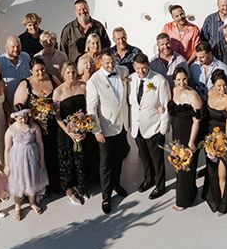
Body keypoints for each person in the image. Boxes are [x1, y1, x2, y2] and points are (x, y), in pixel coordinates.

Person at [86, 49, 130, 214]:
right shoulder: (93, 81)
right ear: (100, 63)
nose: (111, 65)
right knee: (105, 164)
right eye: (107, 63)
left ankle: (117, 184)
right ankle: (106, 196)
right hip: (105, 128)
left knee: (119, 158)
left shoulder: (123, 71)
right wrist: (96, 130)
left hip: (122, 124)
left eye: (112, 62)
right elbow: (91, 109)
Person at [14, 58, 61, 195]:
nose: (40, 72)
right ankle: (41, 188)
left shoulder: (52, 79)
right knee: (39, 158)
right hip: (35, 127)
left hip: (54, 125)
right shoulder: (26, 84)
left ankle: (57, 184)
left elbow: (61, 95)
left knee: (54, 155)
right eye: (37, 71)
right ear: (31, 71)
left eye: (42, 69)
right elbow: (18, 108)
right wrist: (31, 118)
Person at [128, 53, 171, 199]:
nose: (141, 72)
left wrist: (163, 129)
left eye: (144, 69)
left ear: (148, 65)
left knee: (157, 159)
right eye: (138, 69)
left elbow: (165, 106)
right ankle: (148, 179)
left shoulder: (159, 80)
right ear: (134, 66)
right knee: (144, 157)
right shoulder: (131, 79)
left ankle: (160, 185)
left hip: (154, 127)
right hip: (137, 127)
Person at [53, 61, 93, 206]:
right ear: (63, 74)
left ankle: (82, 186)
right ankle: (69, 189)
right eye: (68, 72)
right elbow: (57, 116)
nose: (71, 75)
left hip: (83, 129)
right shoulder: (58, 92)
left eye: (74, 72)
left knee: (82, 158)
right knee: (68, 161)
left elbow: (89, 108)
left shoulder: (83, 86)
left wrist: (85, 126)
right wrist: (69, 132)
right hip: (66, 133)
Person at [4, 106, 48, 221]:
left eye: (24, 117)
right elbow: (7, 148)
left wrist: (42, 158)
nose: (23, 120)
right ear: (15, 118)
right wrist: (7, 165)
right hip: (17, 160)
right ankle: (17, 206)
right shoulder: (11, 129)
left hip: (31, 158)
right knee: (19, 181)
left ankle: (32, 202)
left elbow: (40, 143)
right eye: (20, 118)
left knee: (31, 178)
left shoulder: (33, 127)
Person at [168, 66, 203, 211]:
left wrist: (191, 142)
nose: (181, 82)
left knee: (186, 167)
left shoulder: (193, 95)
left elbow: (197, 121)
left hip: (189, 135)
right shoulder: (174, 91)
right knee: (179, 167)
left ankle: (183, 201)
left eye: (184, 79)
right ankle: (191, 191)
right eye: (178, 80)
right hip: (177, 134)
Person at [202, 71, 227, 215]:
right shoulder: (210, 94)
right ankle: (213, 198)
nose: (222, 88)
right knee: (211, 170)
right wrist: (210, 144)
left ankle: (224, 204)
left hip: (224, 140)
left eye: (224, 85)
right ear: (213, 85)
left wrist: (221, 145)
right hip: (210, 137)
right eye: (219, 86)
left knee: (223, 174)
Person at [0, 35, 31, 105]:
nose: (16, 49)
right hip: (8, 105)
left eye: (18, 46)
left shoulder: (26, 57)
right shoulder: (0, 62)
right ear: (6, 48)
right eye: (13, 47)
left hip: (26, 104)